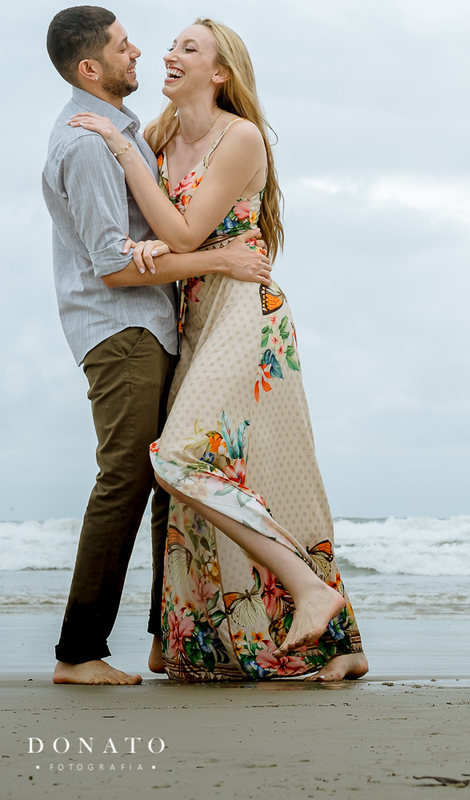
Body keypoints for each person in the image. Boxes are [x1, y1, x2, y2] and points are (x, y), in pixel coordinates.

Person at [71, 17, 368, 682]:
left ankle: (310, 589)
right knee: (249, 474)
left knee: (180, 457)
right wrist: (143, 233)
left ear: (220, 72)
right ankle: (340, 644)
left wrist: (123, 157)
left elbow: (182, 231)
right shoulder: (158, 135)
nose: (169, 55)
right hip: (192, 317)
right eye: (172, 45)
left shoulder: (240, 137)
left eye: (189, 48)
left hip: (245, 311)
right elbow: (156, 232)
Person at [43, 6, 273, 685]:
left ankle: (165, 640)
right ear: (92, 67)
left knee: (169, 481)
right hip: (122, 329)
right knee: (127, 478)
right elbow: (114, 268)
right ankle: (79, 652)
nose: (139, 51)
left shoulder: (131, 132)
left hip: (157, 323)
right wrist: (219, 261)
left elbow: (152, 231)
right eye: (123, 46)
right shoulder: (90, 144)